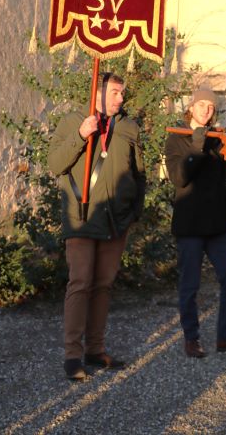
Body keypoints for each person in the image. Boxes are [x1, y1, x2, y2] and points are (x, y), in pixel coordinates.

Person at [48, 72, 146, 380]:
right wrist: (80, 134)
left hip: (117, 221)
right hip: (82, 216)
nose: (121, 98)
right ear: (98, 93)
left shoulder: (129, 127)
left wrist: (134, 213)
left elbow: (139, 173)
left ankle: (95, 349)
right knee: (80, 284)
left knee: (103, 285)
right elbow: (55, 164)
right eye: (115, 92)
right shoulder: (73, 120)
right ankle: (72, 356)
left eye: (122, 93)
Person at [164, 88, 226, 358]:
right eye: (200, 104)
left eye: (210, 106)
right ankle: (191, 338)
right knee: (190, 284)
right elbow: (180, 178)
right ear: (191, 108)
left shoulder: (218, 136)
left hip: (218, 224)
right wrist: (196, 145)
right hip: (191, 225)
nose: (205, 109)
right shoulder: (177, 138)